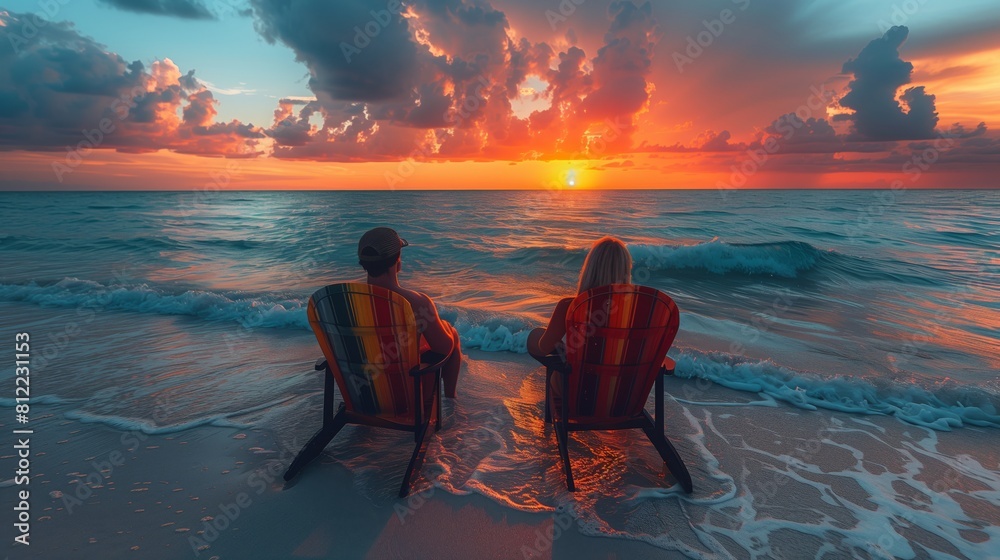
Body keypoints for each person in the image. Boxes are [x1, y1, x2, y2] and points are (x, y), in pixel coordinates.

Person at [358, 227, 462, 398]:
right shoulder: (416, 303)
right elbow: (444, 349)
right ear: (397, 261)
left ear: (363, 263)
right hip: (405, 396)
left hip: (365, 393)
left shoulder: (346, 301)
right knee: (452, 334)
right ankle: (451, 400)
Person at [527, 236, 632, 360]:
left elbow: (544, 348)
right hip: (625, 378)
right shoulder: (636, 309)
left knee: (535, 336)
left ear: (590, 269)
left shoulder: (570, 306)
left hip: (580, 377)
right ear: (626, 270)